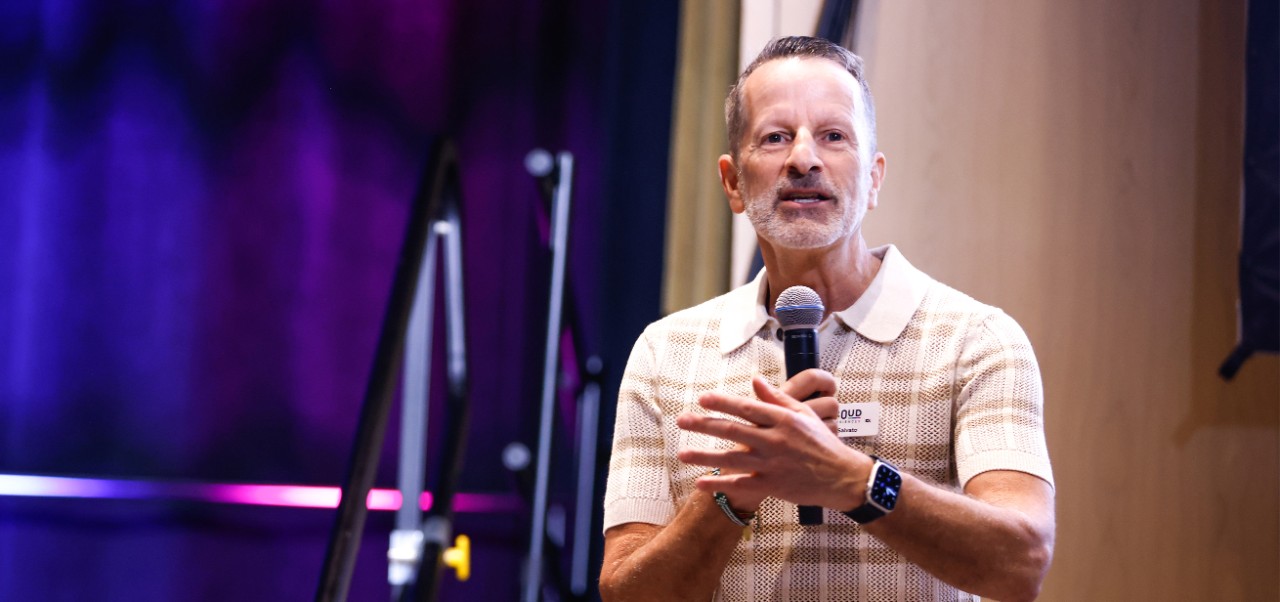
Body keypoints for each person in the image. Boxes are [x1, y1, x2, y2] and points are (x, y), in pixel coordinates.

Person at [598, 36, 1055, 601]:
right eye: (775, 137)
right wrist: (730, 491)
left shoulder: (977, 340)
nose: (803, 158)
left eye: (834, 136)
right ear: (733, 183)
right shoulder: (666, 352)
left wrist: (850, 480)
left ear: (874, 180)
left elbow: (1021, 560)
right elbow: (626, 594)